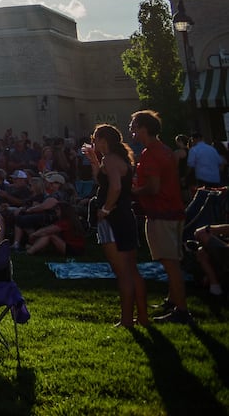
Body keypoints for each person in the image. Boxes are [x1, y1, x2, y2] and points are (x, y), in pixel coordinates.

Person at [82, 123, 149, 328]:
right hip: (125, 216)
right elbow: (105, 183)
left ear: (103, 140)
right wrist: (94, 161)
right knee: (132, 270)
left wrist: (106, 209)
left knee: (123, 273)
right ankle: (143, 318)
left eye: (95, 139)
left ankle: (127, 320)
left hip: (113, 219)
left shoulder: (111, 159)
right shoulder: (117, 159)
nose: (93, 142)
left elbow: (116, 188)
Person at [129, 110, 191, 323]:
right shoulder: (164, 149)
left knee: (169, 262)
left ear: (144, 128)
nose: (131, 130)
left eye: (134, 126)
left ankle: (182, 311)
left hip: (161, 212)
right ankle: (173, 300)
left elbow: (153, 187)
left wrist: (134, 191)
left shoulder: (151, 153)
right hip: (173, 210)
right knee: (173, 259)